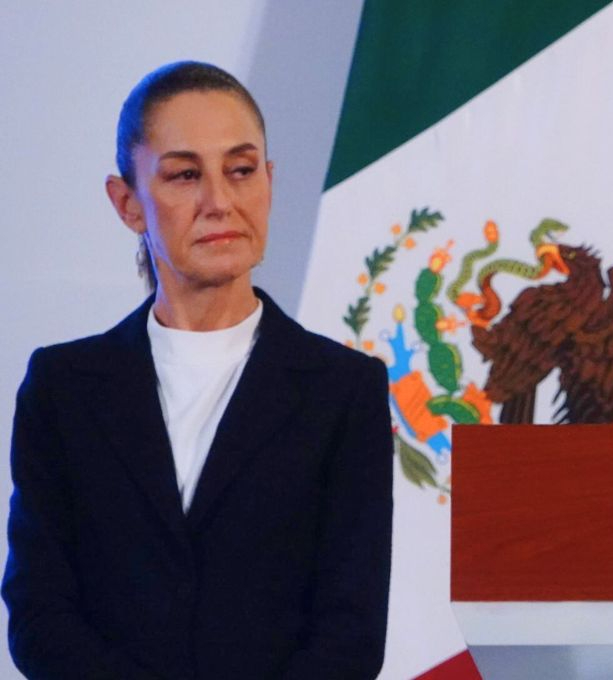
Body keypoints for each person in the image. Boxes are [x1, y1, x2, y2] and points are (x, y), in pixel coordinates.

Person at [3, 62, 393, 678]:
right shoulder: (63, 388)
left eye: (240, 170)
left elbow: (351, 628)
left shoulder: (344, 389)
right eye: (185, 175)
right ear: (127, 202)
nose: (220, 201)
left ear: (268, 180)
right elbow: (38, 613)